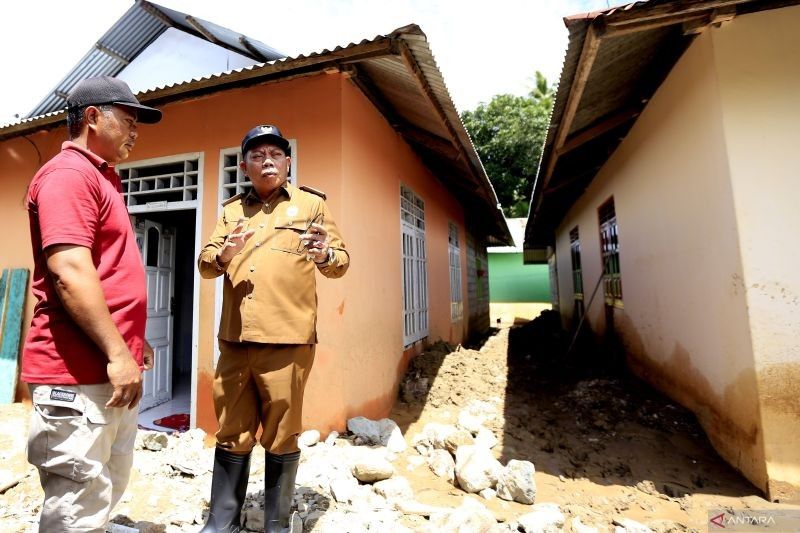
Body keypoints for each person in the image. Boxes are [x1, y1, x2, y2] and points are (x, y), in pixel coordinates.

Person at [22, 75, 162, 532]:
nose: (136, 130)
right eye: (129, 118)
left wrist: (132, 342)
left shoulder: (101, 178)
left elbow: (106, 271)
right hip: (77, 375)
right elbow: (70, 273)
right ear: (92, 116)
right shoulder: (69, 175)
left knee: (103, 488)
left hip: (106, 369)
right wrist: (117, 352)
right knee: (77, 504)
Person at [198, 124, 349, 532]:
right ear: (244, 165)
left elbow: (340, 261)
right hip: (235, 341)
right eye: (257, 154)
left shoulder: (311, 206)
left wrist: (323, 253)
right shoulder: (231, 211)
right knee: (231, 429)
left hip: (287, 340)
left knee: (282, 434)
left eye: (276, 153)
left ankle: (277, 524)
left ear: (287, 161)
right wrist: (224, 253)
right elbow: (206, 262)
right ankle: (221, 521)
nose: (267, 160)